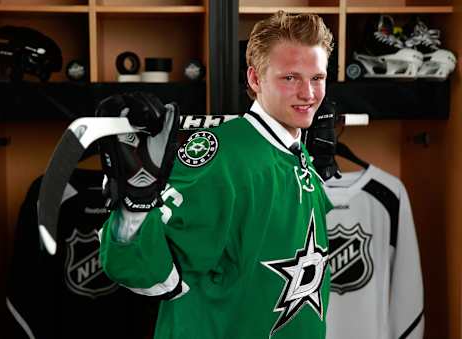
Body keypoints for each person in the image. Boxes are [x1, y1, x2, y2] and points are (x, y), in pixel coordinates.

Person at [98, 10, 334, 339]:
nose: (309, 94)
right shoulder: (219, 157)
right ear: (254, 79)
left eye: (317, 78)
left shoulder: (295, 147)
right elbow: (141, 269)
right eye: (290, 78)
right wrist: (134, 207)